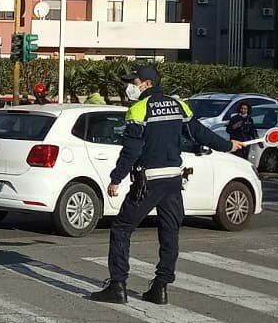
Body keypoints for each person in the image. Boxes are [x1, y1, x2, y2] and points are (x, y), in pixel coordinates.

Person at [90, 66, 243, 306]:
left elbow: (132, 150)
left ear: (147, 83)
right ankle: (160, 287)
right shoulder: (178, 105)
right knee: (170, 231)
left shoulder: (138, 109)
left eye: (134, 82)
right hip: (173, 180)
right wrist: (227, 145)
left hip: (149, 180)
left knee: (121, 228)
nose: (130, 86)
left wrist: (116, 178)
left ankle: (117, 286)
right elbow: (200, 132)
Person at [225, 100, 261, 168]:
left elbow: (253, 131)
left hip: (246, 142)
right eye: (242, 108)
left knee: (244, 159)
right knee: (237, 159)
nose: (243, 110)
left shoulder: (249, 119)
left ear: (248, 110)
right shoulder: (235, 118)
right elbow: (228, 130)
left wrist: (258, 140)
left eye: (245, 109)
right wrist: (235, 126)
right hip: (237, 142)